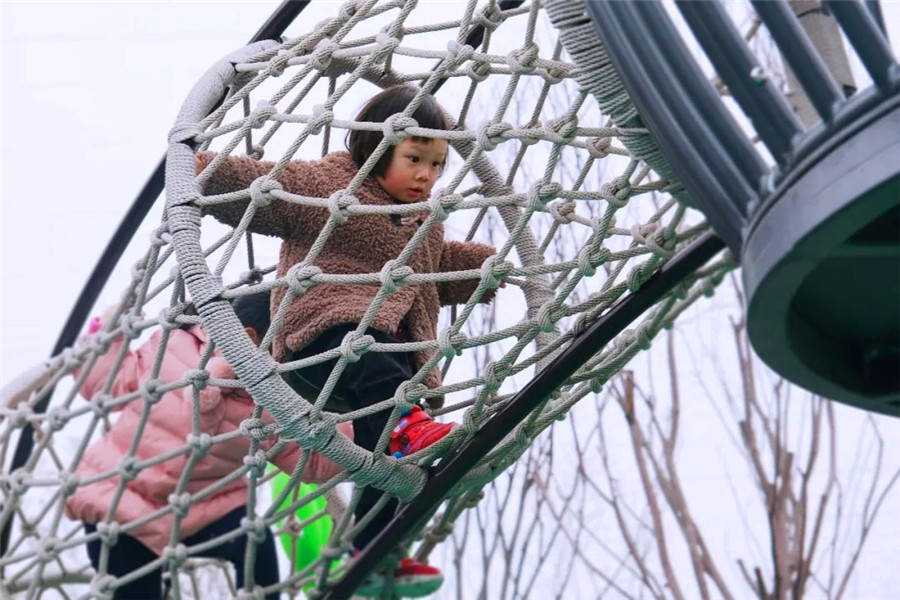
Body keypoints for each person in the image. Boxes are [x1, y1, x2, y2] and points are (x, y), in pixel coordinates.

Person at [197, 84, 500, 597]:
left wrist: (480, 269)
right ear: (375, 150)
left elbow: (432, 272)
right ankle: (407, 426)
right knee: (377, 365)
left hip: (382, 363)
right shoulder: (333, 187)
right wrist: (204, 167)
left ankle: (376, 547)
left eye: (437, 164)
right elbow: (272, 187)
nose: (426, 175)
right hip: (320, 336)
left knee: (389, 461)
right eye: (414, 159)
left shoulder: (424, 220)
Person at [66, 292, 352, 600]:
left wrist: (353, 421)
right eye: (283, 352)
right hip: (120, 503)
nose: (287, 364)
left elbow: (309, 463)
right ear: (250, 338)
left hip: (204, 504)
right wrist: (105, 332)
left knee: (255, 544)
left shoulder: (270, 402)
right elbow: (103, 381)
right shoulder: (174, 345)